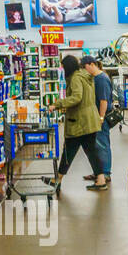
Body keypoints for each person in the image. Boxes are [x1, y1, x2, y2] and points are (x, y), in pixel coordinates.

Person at [46, 55, 106, 192]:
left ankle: (58, 179)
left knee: (69, 151)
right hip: (89, 120)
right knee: (91, 151)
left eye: (63, 66)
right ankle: (101, 180)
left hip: (79, 122)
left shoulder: (75, 78)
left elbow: (77, 97)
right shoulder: (85, 76)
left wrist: (57, 104)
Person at [86, 59, 114, 187]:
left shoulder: (102, 79)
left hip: (101, 118)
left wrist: (101, 118)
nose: (85, 71)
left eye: (86, 67)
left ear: (92, 65)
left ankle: (106, 173)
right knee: (96, 145)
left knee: (102, 144)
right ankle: (99, 172)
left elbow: (104, 101)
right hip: (95, 117)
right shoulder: (95, 78)